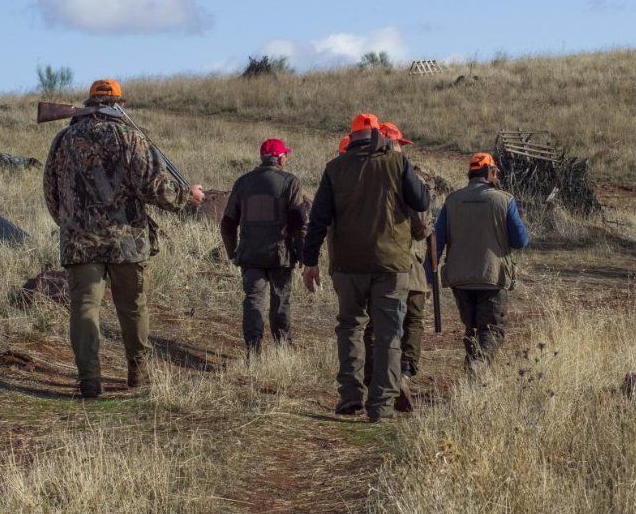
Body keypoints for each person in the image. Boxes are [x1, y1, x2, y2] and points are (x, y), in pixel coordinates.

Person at [43, 79, 205, 398]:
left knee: (85, 308)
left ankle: (89, 379)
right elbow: (152, 186)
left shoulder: (63, 139)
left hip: (80, 241)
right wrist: (188, 197)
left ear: (89, 102)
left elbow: (51, 190)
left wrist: (70, 223)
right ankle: (139, 374)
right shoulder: (130, 137)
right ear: (119, 104)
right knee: (132, 307)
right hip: (127, 240)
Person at [301, 112, 430, 423]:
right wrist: (401, 162)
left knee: (350, 328)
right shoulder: (396, 164)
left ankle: (350, 397)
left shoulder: (334, 168)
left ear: (352, 137)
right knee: (389, 334)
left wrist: (310, 262)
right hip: (391, 264)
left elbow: (318, 219)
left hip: (347, 265)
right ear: (377, 136)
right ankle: (382, 405)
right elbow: (421, 201)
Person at [435, 152, 529, 372]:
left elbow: (436, 242)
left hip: (460, 280)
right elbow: (521, 241)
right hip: (492, 277)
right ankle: (479, 364)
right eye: (495, 170)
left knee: (473, 328)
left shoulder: (452, 200)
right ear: (489, 171)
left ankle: (475, 376)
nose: (497, 174)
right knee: (492, 330)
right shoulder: (504, 200)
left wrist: (428, 277)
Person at [220, 139, 310, 357]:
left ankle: (253, 350)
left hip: (250, 255)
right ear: (279, 158)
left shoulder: (243, 182)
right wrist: (302, 254)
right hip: (280, 255)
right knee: (280, 301)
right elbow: (300, 223)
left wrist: (232, 251)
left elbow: (227, 223)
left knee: (253, 301)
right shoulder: (290, 182)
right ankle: (283, 349)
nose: (286, 158)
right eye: (285, 155)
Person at [363, 123, 432, 407]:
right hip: (408, 266)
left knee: (375, 324)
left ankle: (371, 377)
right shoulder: (406, 176)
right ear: (393, 144)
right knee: (412, 320)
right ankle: (403, 373)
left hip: (370, 263)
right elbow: (420, 228)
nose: (403, 148)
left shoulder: (363, 175)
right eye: (400, 143)